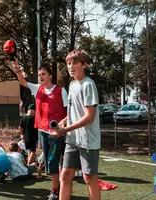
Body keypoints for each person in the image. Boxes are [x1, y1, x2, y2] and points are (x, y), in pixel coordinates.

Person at [11, 59, 68, 200]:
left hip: (56, 133)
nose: (40, 77)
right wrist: (18, 70)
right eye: (39, 75)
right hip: (42, 131)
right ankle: (58, 188)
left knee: (54, 161)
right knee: (49, 163)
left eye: (43, 74)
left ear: (50, 75)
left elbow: (69, 113)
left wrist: (62, 127)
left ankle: (55, 191)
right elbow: (23, 82)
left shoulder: (61, 91)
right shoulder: (37, 89)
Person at [50, 50, 101, 200]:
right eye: (68, 63)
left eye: (74, 63)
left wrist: (65, 129)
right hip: (73, 139)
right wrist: (64, 121)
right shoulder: (72, 85)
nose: (71, 66)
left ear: (84, 65)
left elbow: (89, 117)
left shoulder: (88, 85)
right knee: (65, 175)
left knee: (89, 178)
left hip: (88, 141)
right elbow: (75, 112)